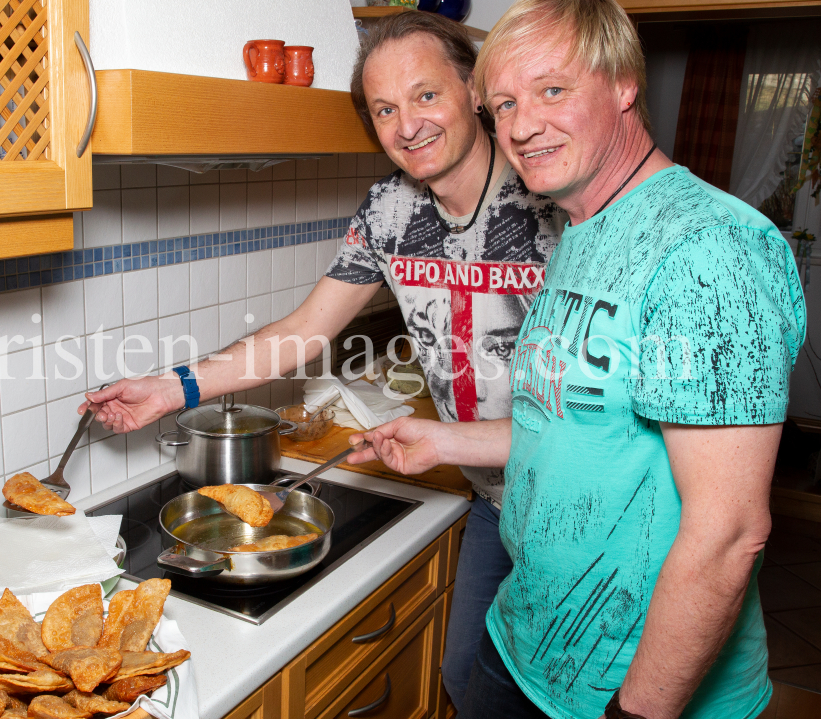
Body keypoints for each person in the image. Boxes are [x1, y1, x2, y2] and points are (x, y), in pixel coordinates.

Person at [81, 12, 565, 710]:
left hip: (585, 490)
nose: (409, 125)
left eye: (426, 96)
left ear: (475, 91)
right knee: (470, 680)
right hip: (496, 499)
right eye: (385, 110)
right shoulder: (389, 210)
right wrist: (170, 388)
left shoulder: (552, 194)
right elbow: (305, 329)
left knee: (576, 693)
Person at [347, 1, 807, 718]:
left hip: (631, 683)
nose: (523, 124)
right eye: (505, 103)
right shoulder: (581, 225)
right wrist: (442, 438)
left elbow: (729, 532)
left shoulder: (708, 250)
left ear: (623, 83)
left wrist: (638, 711)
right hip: (526, 638)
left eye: (552, 90)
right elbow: (569, 425)